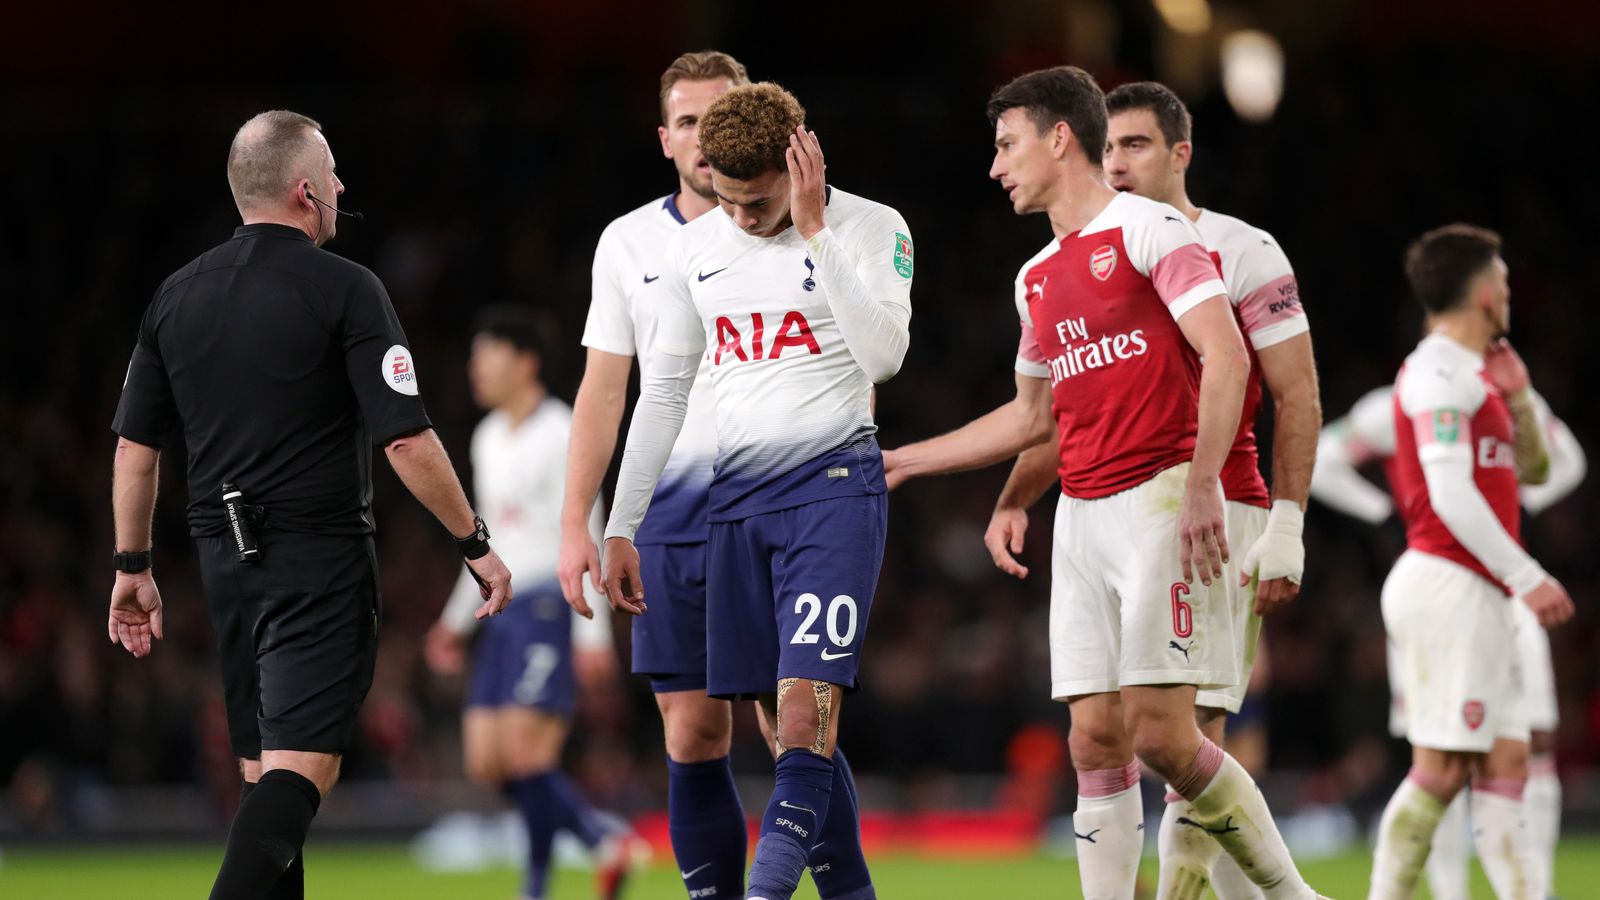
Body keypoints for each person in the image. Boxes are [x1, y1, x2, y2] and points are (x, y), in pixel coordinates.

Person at [882, 66, 1322, 899]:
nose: (995, 166)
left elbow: (1226, 355)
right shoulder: (1035, 276)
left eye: (1007, 144)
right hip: (1081, 516)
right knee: (1093, 740)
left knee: (1163, 736)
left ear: (1057, 138)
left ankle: (1292, 896)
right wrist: (908, 460)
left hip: (1161, 499)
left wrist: (1200, 487)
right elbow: (1031, 418)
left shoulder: (1153, 231)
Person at [107, 110, 512, 900]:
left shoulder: (175, 296)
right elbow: (404, 440)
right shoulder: (346, 288)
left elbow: (133, 449)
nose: (341, 187)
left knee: (266, 780)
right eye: (332, 175)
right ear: (304, 192)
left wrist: (131, 565)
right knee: (301, 775)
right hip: (315, 557)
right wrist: (475, 546)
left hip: (222, 562)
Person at [598, 82, 911, 900]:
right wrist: (621, 524)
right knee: (757, 733)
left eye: (758, 199)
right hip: (733, 509)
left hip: (833, 494)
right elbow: (663, 394)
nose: (741, 218)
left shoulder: (874, 228)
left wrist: (811, 232)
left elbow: (884, 357)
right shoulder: (697, 249)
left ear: (801, 158)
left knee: (802, 721)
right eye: (728, 201)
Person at [555, 50, 756, 900]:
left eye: (721, 119)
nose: (703, 139)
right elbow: (605, 390)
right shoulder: (629, 241)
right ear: (664, 138)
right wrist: (579, 521)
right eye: (686, 122)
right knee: (691, 733)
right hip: (672, 508)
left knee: (798, 727)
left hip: (777, 500)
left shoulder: (807, 225)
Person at [1365, 224, 1576, 900]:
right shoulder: (1435, 373)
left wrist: (1518, 397)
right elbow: (1451, 492)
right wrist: (1528, 575)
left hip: (1481, 588)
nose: (1509, 294)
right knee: (1444, 767)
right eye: (1505, 283)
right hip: (1447, 581)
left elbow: (1536, 472)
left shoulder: (1486, 374)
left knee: (1508, 757)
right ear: (1486, 291)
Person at [1315, 387, 1583, 900]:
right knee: (1442, 757)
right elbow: (1325, 458)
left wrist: (1525, 501)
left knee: (1533, 740)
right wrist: (1383, 512)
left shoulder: (1510, 397)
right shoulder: (1402, 401)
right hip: (1440, 592)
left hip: (1508, 584)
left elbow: (1569, 459)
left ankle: (1537, 889)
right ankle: (1448, 893)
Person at [423, 306, 637, 900]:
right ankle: (599, 844)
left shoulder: (562, 429)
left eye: (485, 355)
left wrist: (592, 632)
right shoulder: (487, 438)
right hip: (502, 607)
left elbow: (588, 523)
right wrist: (452, 624)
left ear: (524, 362)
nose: (474, 368)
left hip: (549, 604)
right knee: (487, 762)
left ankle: (545, 880)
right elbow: (487, 543)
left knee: (525, 752)